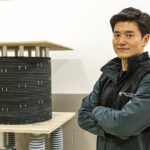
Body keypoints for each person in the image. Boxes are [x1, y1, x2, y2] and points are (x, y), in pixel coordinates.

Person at [78, 7, 150, 150]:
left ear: (145, 39)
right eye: (117, 35)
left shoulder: (147, 77)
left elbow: (124, 125)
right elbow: (82, 117)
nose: (121, 41)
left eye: (129, 35)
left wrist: (97, 110)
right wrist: (115, 127)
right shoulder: (107, 74)